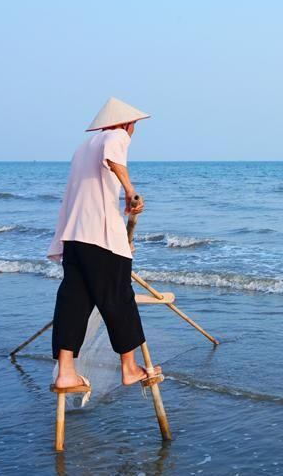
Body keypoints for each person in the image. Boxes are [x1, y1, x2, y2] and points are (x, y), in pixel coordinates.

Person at [47, 96, 161, 390]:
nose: (133, 131)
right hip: (100, 239)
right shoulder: (116, 135)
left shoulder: (83, 147)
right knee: (119, 298)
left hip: (75, 236)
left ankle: (65, 373)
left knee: (73, 301)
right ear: (126, 122)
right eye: (134, 125)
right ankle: (130, 368)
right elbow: (113, 153)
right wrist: (129, 190)